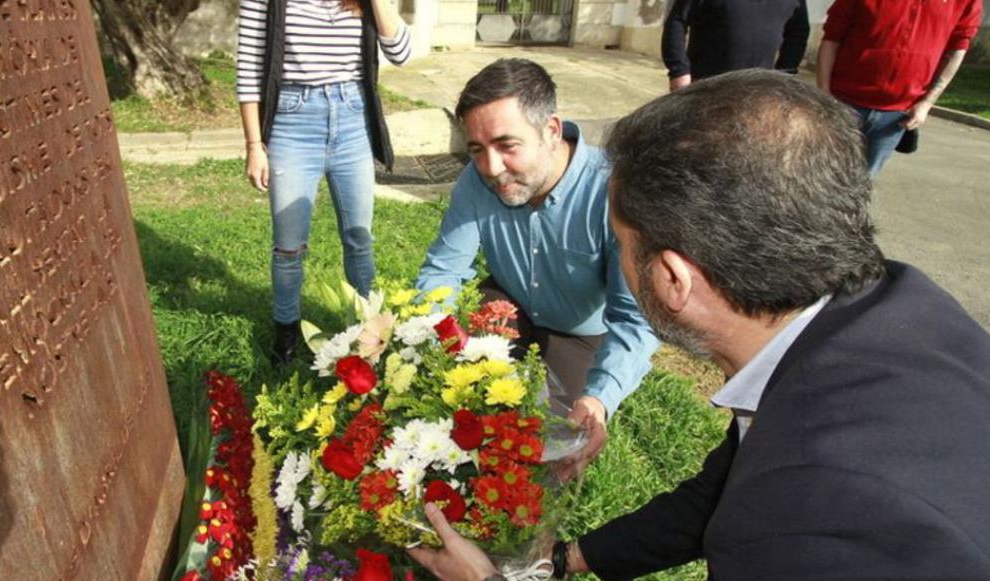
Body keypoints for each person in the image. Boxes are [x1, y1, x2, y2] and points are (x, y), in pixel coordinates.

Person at [408, 70, 990, 581]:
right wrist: (569, 557)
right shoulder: (892, 312)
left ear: (672, 279)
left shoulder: (819, 536)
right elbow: (722, 489)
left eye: (619, 244)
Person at [414, 59, 659, 477]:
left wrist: (599, 398)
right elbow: (443, 272)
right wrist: (419, 338)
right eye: (476, 150)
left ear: (551, 130)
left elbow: (634, 319)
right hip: (505, 307)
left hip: (580, 334)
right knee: (470, 417)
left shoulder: (616, 190)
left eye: (507, 145)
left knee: (551, 449)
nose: (491, 168)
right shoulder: (477, 182)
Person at [236, 0, 412, 365]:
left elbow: (401, 52)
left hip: (352, 119)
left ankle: (370, 329)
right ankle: (286, 332)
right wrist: (255, 145)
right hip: (292, 121)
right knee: (288, 246)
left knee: (359, 236)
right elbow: (250, 67)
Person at [817, 0, 983, 175]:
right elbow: (831, 40)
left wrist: (927, 103)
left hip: (896, 115)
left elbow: (957, 49)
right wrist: (824, 94)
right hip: (843, 104)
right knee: (819, 179)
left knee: (863, 183)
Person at [661, 0, 809, 92]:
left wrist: (784, 76)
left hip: (758, 90)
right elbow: (677, 21)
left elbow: (799, 31)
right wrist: (679, 71)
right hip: (704, 87)